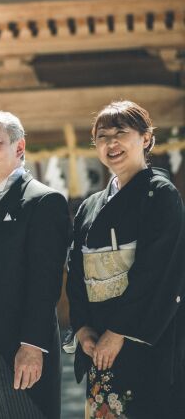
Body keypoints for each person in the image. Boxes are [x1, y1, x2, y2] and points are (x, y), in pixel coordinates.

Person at [66, 101, 185, 417]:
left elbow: (158, 272)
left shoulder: (160, 195)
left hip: (144, 339)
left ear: (146, 138)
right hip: (99, 341)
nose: (111, 143)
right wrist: (82, 329)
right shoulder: (89, 207)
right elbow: (76, 272)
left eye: (121, 133)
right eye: (102, 136)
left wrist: (118, 332)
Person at [0, 111, 70, 418]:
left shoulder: (43, 201)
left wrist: (33, 346)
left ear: (19, 148)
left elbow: (44, 282)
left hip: (19, 345)